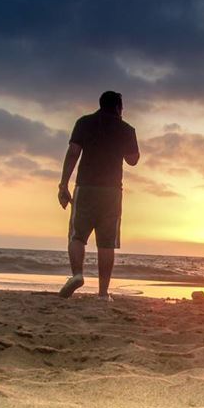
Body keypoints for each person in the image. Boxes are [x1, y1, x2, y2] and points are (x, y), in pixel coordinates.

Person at [57, 91, 139, 301]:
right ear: (119, 108)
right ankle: (103, 293)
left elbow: (73, 152)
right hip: (112, 191)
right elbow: (133, 160)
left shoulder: (84, 122)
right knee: (106, 243)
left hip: (86, 187)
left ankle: (77, 274)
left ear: (100, 104)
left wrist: (63, 184)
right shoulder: (126, 129)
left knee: (77, 236)